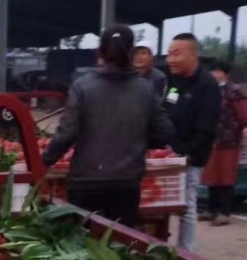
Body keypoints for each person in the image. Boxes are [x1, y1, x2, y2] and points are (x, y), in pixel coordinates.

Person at [42, 24, 175, 228]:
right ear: (131, 53)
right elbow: (164, 133)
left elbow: (66, 133)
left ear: (100, 52)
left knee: (82, 247)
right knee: (120, 246)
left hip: (86, 180)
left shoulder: (83, 86)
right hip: (127, 181)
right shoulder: (145, 90)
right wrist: (137, 141)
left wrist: (44, 161)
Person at [164, 32, 222, 251]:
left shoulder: (207, 86)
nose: (171, 59)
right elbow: (168, 109)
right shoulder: (176, 82)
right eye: (169, 54)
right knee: (166, 205)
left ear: (192, 54)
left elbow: (206, 128)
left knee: (186, 205)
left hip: (190, 158)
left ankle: (187, 254)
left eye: (176, 54)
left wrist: (187, 155)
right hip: (169, 153)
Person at [200, 59, 247, 227]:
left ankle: (224, 213)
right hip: (212, 140)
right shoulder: (211, 91)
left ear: (223, 73)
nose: (213, 74)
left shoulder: (234, 92)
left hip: (228, 141)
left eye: (216, 71)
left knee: (225, 177)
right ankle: (211, 210)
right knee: (212, 176)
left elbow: (244, 116)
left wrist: (235, 131)